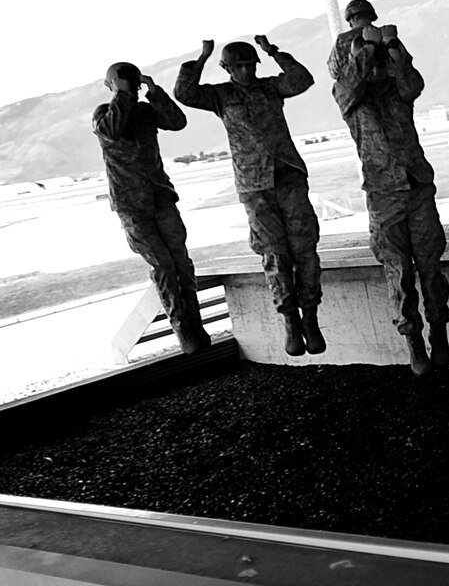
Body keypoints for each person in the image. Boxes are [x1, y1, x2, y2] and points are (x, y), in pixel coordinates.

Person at [175, 35, 324, 357]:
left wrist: (272, 51)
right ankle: (291, 323)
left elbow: (302, 80)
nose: (245, 71)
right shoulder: (220, 95)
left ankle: (310, 319)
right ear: (227, 69)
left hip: (288, 178)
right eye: (238, 66)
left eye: (249, 64)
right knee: (274, 254)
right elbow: (184, 93)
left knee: (305, 250)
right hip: (254, 186)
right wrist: (202, 58)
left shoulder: (271, 87)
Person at [329, 0, 449, 376]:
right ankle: (413, 339)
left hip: (416, 185)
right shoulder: (348, 97)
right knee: (398, 271)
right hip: (383, 193)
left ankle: (440, 331)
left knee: (430, 266)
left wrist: (394, 48)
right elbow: (348, 86)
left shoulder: (398, 89)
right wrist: (361, 52)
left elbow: (413, 84)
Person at [92, 62, 208, 354]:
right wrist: (122, 94)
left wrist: (154, 91)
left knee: (181, 262)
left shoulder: (145, 112)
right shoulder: (104, 115)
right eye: (122, 82)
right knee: (163, 266)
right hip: (132, 206)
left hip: (160, 197)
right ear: (112, 86)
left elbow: (176, 121)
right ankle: (184, 332)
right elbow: (112, 130)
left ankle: (197, 327)